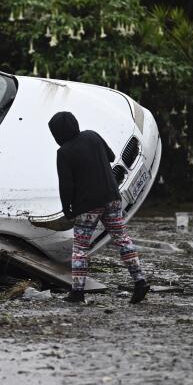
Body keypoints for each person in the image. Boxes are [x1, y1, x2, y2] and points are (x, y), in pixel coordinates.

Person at [48, 111, 149, 304]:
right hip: (111, 197)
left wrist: (67, 209)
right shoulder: (92, 135)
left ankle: (77, 292)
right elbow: (111, 157)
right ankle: (140, 281)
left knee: (80, 248)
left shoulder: (63, 152)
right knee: (122, 239)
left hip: (87, 206)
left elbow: (66, 185)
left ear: (57, 133)